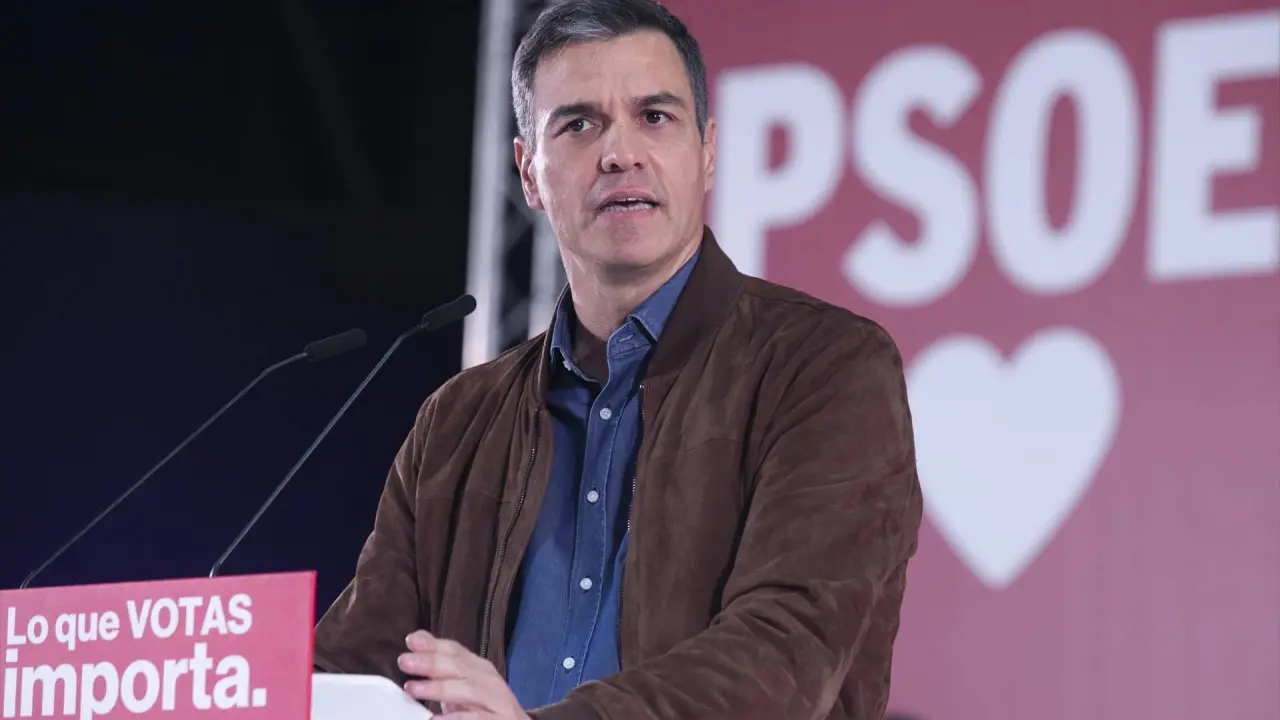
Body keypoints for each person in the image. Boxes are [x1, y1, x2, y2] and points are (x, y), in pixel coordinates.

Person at [312, 0, 924, 718]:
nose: (620, 153)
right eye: (579, 124)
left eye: (654, 117)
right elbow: (353, 670)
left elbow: (787, 652)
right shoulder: (457, 422)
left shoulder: (824, 368)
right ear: (529, 173)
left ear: (707, 152)